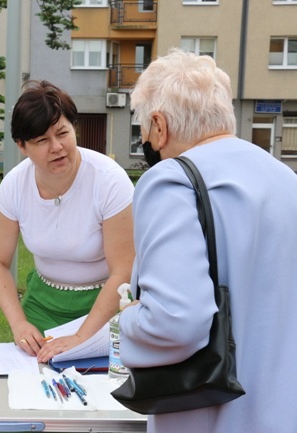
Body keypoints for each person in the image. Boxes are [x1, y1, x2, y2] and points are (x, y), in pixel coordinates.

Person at [118, 48, 297, 433]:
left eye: (145, 133)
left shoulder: (170, 181)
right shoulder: (286, 179)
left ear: (159, 125)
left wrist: (128, 318)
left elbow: (175, 321)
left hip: (214, 416)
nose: (149, 143)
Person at [0, 80, 135, 363]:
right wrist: (19, 324)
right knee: (36, 388)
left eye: (63, 133)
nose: (57, 147)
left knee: (100, 392)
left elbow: (123, 270)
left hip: (106, 305)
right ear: (22, 146)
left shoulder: (109, 180)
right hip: (41, 303)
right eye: (42, 141)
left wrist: (81, 338)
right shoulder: (14, 185)